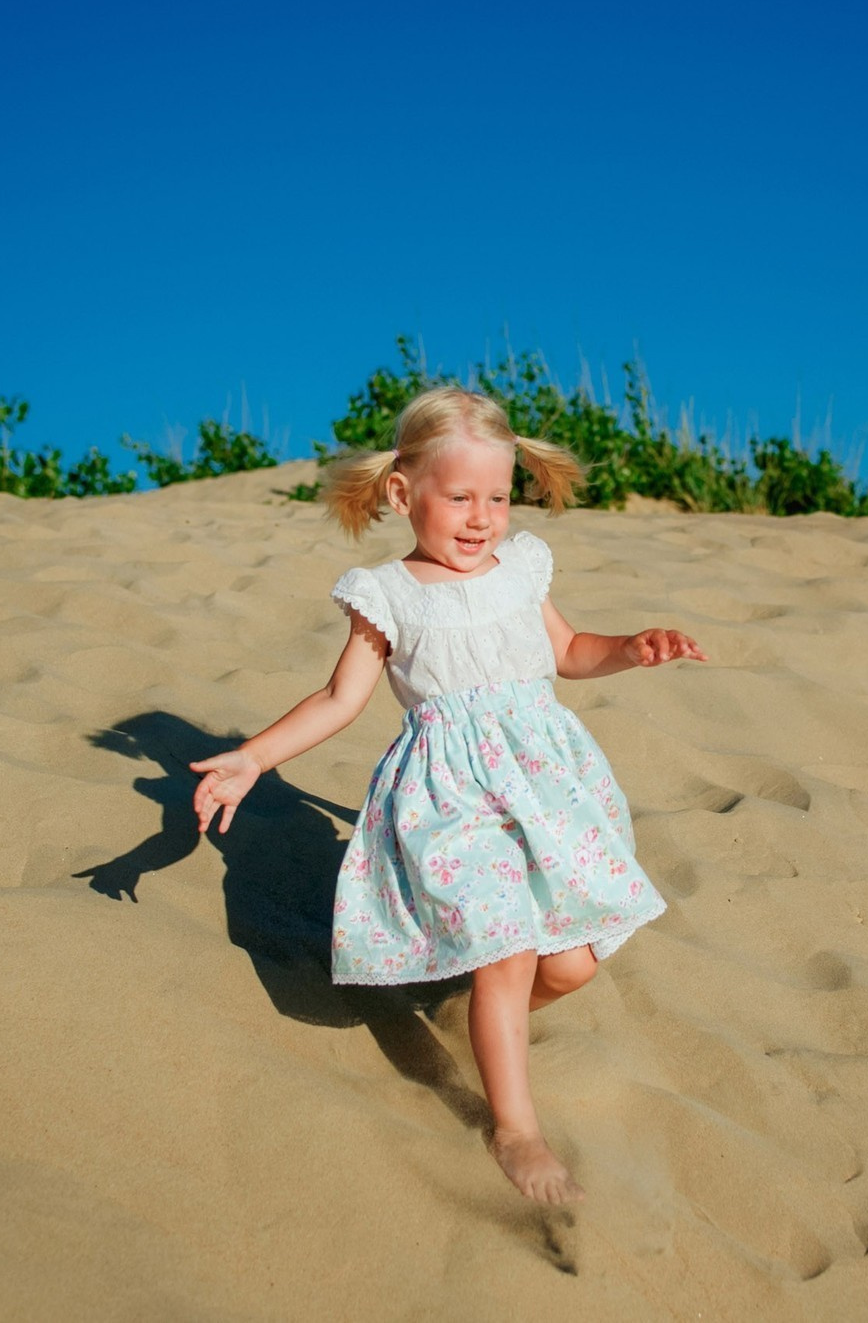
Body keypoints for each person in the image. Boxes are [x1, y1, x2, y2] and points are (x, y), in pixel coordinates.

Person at [188, 386, 704, 1204]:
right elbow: (337, 700)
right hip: (451, 798)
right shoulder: (388, 593)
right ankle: (515, 1128)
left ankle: (482, 1020)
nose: (479, 517)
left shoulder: (523, 567)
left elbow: (568, 650)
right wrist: (253, 758)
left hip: (544, 789)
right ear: (404, 492)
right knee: (506, 949)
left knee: (566, 966)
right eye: (458, 496)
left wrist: (633, 648)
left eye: (495, 497)